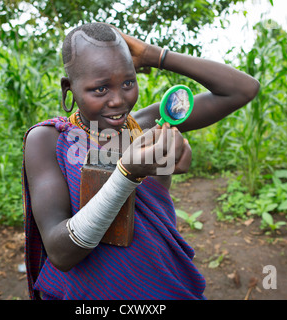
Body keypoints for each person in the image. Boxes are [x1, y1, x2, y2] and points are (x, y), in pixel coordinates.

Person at [22, 22, 259, 300]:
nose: (118, 100)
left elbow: (243, 89)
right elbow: (61, 252)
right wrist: (127, 174)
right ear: (68, 89)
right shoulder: (49, 140)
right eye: (100, 89)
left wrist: (153, 55)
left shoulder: (148, 126)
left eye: (128, 83)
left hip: (162, 288)